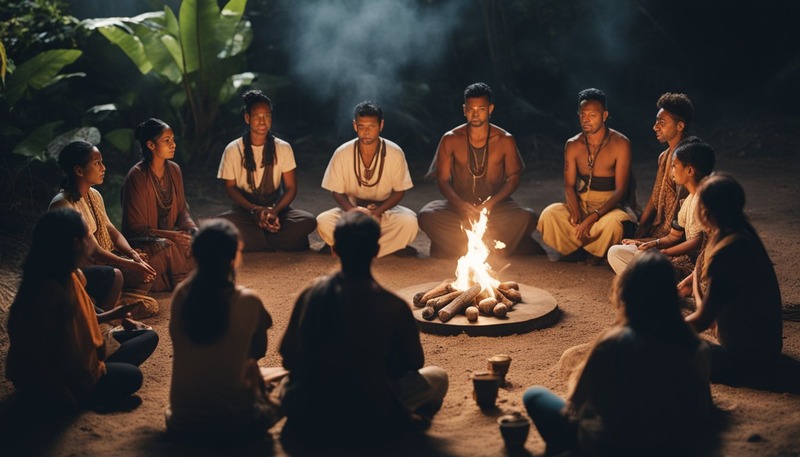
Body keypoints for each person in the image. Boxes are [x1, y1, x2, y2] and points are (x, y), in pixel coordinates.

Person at [279, 212, 448, 442]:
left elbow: (287, 355)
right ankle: (402, 424)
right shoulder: (394, 305)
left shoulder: (311, 293)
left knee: (283, 382)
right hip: (370, 412)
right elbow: (414, 364)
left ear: (334, 249)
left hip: (311, 409)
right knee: (438, 377)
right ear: (377, 250)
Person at [522, 250, 712, 455]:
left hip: (614, 446)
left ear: (627, 291)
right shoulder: (695, 345)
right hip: (673, 445)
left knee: (534, 395)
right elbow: (700, 406)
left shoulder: (614, 344)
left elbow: (578, 407)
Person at [6, 209, 158, 410]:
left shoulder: (67, 275)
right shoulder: (48, 292)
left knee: (148, 336)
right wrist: (70, 400)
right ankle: (89, 398)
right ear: (77, 243)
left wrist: (118, 314)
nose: (92, 242)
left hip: (82, 359)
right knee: (132, 377)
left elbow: (86, 322)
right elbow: (42, 359)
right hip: (65, 379)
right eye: (89, 236)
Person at [166, 218, 282, 440]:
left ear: (195, 255)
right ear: (233, 257)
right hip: (233, 424)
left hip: (180, 419)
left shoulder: (181, 295)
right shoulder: (247, 300)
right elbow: (257, 352)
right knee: (291, 382)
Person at [418, 82, 539, 258]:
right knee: (426, 216)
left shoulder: (505, 139)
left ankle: (454, 248)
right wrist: (462, 205)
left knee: (526, 217)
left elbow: (513, 178)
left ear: (490, 109)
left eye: (481, 109)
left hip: (497, 207)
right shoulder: (450, 139)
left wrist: (490, 204)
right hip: (458, 206)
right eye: (471, 109)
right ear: (464, 110)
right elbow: (443, 180)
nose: (475, 114)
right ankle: (494, 248)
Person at [685, 173, 783, 384]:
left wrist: (660, 328)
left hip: (746, 362)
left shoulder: (728, 251)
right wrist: (695, 279)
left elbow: (702, 320)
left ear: (705, 211)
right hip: (765, 352)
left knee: (663, 348)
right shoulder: (742, 233)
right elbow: (710, 317)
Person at [50, 141, 159, 303]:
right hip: (73, 270)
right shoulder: (63, 204)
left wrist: (133, 255)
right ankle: (103, 318)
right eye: (97, 163)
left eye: (102, 162)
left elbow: (110, 229)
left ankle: (108, 302)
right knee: (118, 275)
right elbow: (93, 249)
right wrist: (129, 264)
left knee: (144, 266)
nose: (103, 168)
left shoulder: (94, 195)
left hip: (94, 261)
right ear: (79, 170)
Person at [536, 88, 635, 263]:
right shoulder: (573, 144)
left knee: (614, 225)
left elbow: (620, 190)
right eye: (583, 114)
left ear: (604, 115)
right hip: (582, 202)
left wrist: (593, 217)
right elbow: (569, 185)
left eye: (592, 115)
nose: (586, 119)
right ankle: (577, 251)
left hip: (608, 207)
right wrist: (576, 212)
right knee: (549, 214)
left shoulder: (620, 143)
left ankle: (595, 252)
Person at [217, 90, 316, 252]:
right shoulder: (233, 149)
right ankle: (279, 241)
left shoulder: (283, 148)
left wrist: (274, 211)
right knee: (221, 225)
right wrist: (254, 210)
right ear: (247, 118)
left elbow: (291, 188)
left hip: (276, 211)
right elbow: (230, 187)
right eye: (257, 117)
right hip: (245, 212)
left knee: (308, 220)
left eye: (267, 116)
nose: (262, 121)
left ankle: (252, 241)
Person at [316, 101, 418, 257]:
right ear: (355, 126)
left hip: (385, 211)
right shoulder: (342, 152)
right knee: (324, 221)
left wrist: (377, 212)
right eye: (361, 127)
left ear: (381, 125)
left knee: (409, 222)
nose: (366, 132)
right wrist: (353, 211)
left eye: (371, 126)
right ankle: (384, 249)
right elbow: (337, 192)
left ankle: (348, 248)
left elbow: (399, 192)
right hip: (352, 209)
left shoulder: (395, 152)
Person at [608, 138, 715, 276]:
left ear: (689, 170)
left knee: (652, 268)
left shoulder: (706, 199)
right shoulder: (688, 200)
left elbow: (699, 241)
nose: (671, 172)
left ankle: (652, 290)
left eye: (674, 166)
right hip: (679, 256)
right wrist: (650, 244)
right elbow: (673, 236)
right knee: (616, 252)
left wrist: (664, 253)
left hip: (699, 264)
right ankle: (648, 288)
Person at [122, 118, 197, 292]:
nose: (173, 145)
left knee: (203, 244)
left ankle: (171, 280)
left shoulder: (174, 170)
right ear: (151, 145)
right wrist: (171, 235)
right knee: (169, 246)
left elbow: (182, 212)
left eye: (173, 140)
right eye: (167, 140)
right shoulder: (137, 176)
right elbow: (134, 229)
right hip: (147, 243)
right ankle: (181, 283)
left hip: (170, 240)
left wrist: (193, 230)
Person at [634, 93, 695, 240]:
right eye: (656, 122)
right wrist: (639, 230)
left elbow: (688, 207)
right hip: (660, 231)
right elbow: (655, 198)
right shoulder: (664, 157)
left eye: (661, 122)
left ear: (680, 126)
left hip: (681, 236)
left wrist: (659, 242)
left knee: (620, 253)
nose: (655, 127)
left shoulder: (690, 156)